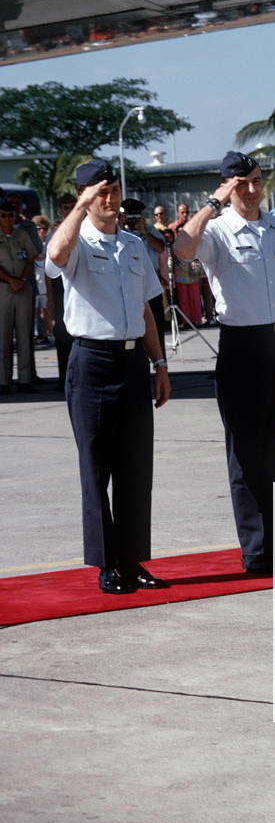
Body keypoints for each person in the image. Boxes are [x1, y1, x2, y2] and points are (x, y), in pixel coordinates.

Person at [45, 158, 171, 594]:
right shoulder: (75, 239)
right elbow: (56, 257)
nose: (110, 198)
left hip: (133, 362)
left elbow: (146, 311)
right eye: (100, 192)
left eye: (113, 190)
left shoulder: (134, 245)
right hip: (92, 362)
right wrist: (78, 209)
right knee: (96, 467)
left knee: (136, 467)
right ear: (85, 196)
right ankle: (105, 564)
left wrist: (160, 365)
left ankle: (132, 558)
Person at [174, 151, 275, 574]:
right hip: (242, 347)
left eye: (257, 181)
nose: (251, 190)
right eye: (241, 183)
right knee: (246, 452)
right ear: (227, 187)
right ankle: (257, 551)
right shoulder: (218, 230)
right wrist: (213, 203)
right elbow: (182, 247)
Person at [119, 198, 168, 359]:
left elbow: (161, 248)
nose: (132, 221)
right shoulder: (117, 232)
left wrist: (145, 232)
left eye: (135, 217)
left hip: (149, 282)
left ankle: (161, 364)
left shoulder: (148, 229)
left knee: (156, 326)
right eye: (129, 217)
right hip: (128, 284)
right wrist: (121, 226)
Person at [0, 196, 39, 394]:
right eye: (3, 215)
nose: (7, 218)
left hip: (22, 288)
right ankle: (3, 381)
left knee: (25, 335)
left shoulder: (22, 234)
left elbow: (32, 258)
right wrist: (10, 280)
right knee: (3, 337)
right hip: (3, 290)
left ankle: (25, 380)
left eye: (10, 215)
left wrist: (21, 280)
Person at [46, 193, 77, 390]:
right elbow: (49, 271)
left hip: (78, 284)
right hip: (59, 287)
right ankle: (63, 378)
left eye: (70, 206)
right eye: (64, 207)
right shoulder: (54, 232)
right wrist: (49, 300)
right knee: (62, 334)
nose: (67, 211)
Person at [33, 215, 52, 343]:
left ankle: (46, 335)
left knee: (45, 312)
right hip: (33, 285)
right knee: (33, 313)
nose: (41, 231)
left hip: (45, 285)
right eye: (38, 228)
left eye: (44, 228)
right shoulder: (30, 244)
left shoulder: (50, 245)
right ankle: (34, 335)